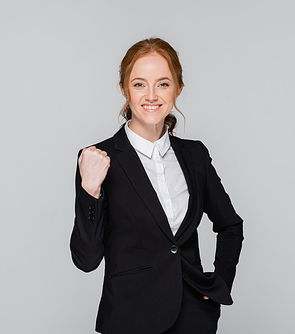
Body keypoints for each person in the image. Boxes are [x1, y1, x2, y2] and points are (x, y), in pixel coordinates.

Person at [70, 38, 243, 334]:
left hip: (193, 318)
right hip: (129, 318)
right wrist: (91, 192)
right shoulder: (97, 158)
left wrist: (219, 285)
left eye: (163, 84)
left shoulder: (195, 155)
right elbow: (86, 261)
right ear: (125, 90)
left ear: (178, 89)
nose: (151, 95)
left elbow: (230, 225)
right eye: (139, 84)